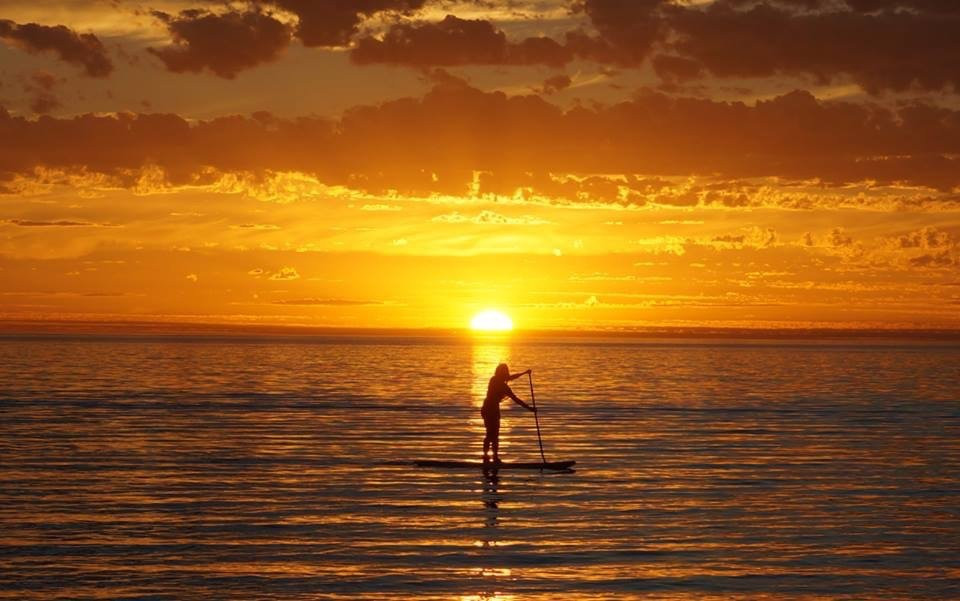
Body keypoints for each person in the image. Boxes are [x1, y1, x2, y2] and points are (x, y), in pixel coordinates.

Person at [481, 363, 536, 464]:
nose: (505, 375)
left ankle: (495, 457)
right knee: (490, 434)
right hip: (488, 409)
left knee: (495, 435)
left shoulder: (502, 384)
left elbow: (512, 381)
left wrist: (524, 373)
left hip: (494, 409)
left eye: (505, 372)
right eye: (503, 372)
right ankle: (486, 457)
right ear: (499, 373)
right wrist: (529, 408)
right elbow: (515, 396)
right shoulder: (495, 381)